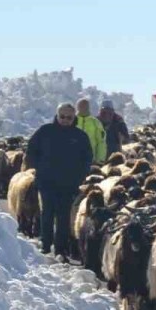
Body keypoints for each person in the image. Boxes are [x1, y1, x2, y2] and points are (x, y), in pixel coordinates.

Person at [26, 103, 93, 262]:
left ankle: (60, 248)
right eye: (62, 116)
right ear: (57, 116)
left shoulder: (80, 136)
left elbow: (87, 158)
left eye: (69, 117)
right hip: (47, 181)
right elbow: (31, 150)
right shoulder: (45, 131)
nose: (65, 120)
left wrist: (79, 176)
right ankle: (45, 243)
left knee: (63, 216)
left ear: (74, 117)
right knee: (47, 212)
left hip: (68, 184)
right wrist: (38, 169)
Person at [74, 98, 107, 162]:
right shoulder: (71, 120)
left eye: (85, 106)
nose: (83, 108)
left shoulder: (95, 123)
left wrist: (100, 160)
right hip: (72, 160)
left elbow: (101, 142)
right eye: (81, 106)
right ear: (77, 107)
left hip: (91, 161)